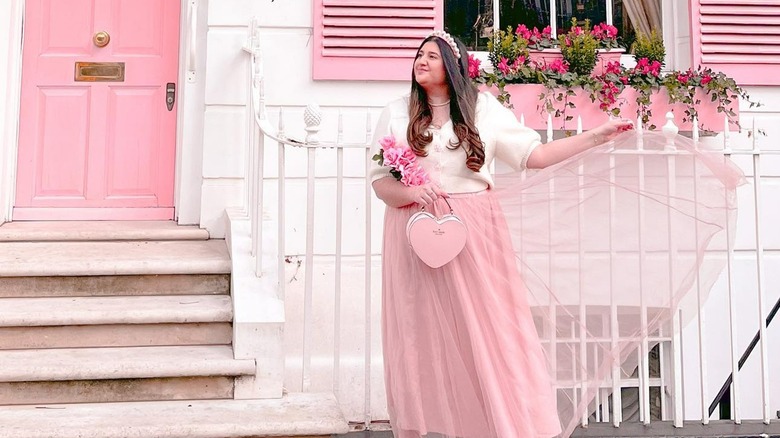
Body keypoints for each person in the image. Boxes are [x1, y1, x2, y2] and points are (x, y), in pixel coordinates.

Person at [370, 31, 741, 438]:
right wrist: (411, 193)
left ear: (453, 68)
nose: (421, 61)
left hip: (474, 232)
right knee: (420, 337)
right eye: (419, 55)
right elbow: (380, 183)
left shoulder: (484, 110)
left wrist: (594, 136)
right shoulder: (394, 113)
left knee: (490, 335)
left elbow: (536, 157)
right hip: (413, 232)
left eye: (432, 56)